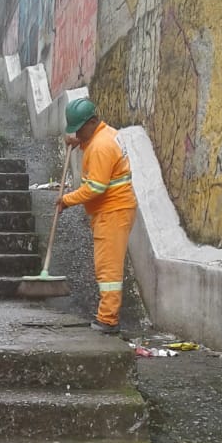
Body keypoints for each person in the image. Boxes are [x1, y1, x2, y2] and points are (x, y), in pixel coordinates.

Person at [57, 98, 137, 335]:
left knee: (108, 269)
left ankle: (108, 320)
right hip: (113, 210)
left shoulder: (101, 146)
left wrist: (66, 200)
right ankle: (107, 316)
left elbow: (95, 188)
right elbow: (90, 143)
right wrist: (78, 141)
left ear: (92, 122)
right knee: (106, 266)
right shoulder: (103, 135)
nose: (78, 133)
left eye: (80, 129)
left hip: (112, 212)